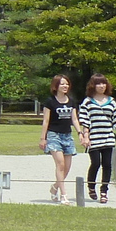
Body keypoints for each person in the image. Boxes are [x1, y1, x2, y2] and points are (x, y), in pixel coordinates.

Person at [40, 74, 85, 204]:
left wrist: (80, 133)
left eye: (67, 84)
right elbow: (46, 121)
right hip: (54, 135)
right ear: (56, 86)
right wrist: (43, 138)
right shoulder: (50, 102)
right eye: (62, 84)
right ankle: (64, 194)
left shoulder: (71, 101)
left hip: (67, 135)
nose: (65, 86)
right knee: (60, 164)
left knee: (67, 167)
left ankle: (55, 187)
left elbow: (75, 119)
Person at [79, 74, 116, 204]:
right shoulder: (88, 101)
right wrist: (85, 136)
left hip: (108, 137)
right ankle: (91, 186)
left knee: (107, 165)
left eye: (103, 83)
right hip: (94, 138)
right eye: (98, 84)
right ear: (93, 85)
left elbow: (115, 120)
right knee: (95, 163)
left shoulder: (112, 101)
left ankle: (104, 191)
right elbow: (85, 120)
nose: (101, 86)